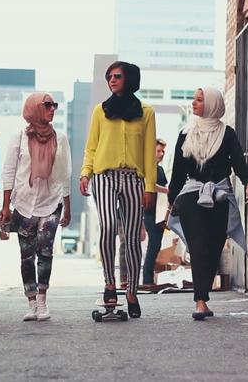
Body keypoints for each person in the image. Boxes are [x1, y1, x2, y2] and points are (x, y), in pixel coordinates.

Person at [166, 87, 248, 321]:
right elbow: (177, 173)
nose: (194, 103)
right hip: (191, 196)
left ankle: (202, 297)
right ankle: (200, 301)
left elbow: (238, 162)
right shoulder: (186, 133)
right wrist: (170, 201)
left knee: (214, 248)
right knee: (198, 245)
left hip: (220, 196)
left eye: (199, 100)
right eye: (194, 99)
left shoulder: (227, 133)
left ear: (213, 104)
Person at [80, 61, 157, 318]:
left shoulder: (146, 112)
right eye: (109, 76)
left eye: (117, 76)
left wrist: (149, 187)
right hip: (104, 177)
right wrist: (85, 173)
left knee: (133, 237)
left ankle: (132, 291)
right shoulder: (100, 111)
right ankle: (109, 283)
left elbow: (148, 153)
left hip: (133, 179)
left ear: (130, 79)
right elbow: (91, 146)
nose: (112, 80)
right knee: (110, 225)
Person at [0, 92, 71, 322]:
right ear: (34, 109)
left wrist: (67, 206)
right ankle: (30, 302)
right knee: (26, 255)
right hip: (24, 204)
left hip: (51, 202)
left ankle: (42, 299)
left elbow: (65, 174)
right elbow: (9, 171)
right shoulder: (18, 138)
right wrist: (5, 206)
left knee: (45, 248)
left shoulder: (60, 138)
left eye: (54, 105)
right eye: (47, 105)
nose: (52, 109)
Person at [141, 139, 168, 286]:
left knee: (156, 245)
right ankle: (147, 278)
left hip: (161, 211)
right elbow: (148, 184)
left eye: (163, 151)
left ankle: (148, 277)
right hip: (150, 211)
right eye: (158, 151)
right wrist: (166, 190)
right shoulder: (148, 167)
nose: (161, 154)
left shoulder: (160, 169)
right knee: (153, 244)